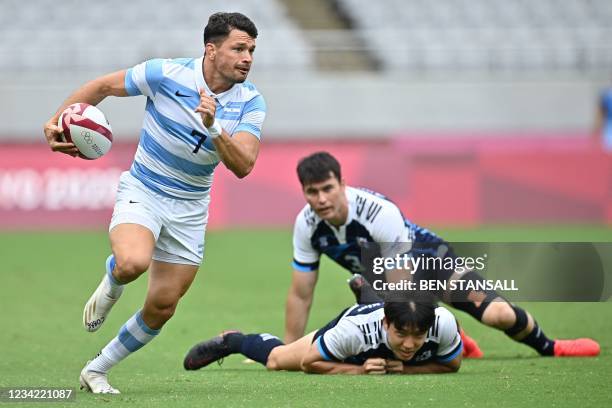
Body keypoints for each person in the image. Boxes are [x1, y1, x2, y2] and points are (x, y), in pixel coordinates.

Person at [43, 12, 266, 394]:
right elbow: (102, 86)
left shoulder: (251, 102)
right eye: (239, 48)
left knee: (163, 306)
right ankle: (113, 280)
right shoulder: (167, 74)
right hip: (145, 189)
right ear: (211, 50)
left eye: (252, 50)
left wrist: (214, 126)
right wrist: (55, 122)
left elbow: (243, 165)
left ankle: (96, 370)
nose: (247, 57)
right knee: (132, 263)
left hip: (191, 208)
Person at [284, 152, 600, 358]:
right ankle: (458, 340)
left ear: (342, 183)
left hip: (432, 260)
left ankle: (551, 347)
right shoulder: (306, 225)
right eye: (312, 192)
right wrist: (290, 350)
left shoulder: (377, 213)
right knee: (372, 295)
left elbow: (403, 283)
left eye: (328, 188)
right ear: (304, 192)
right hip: (386, 276)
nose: (322, 199)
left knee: (498, 315)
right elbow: (301, 295)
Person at [184, 299, 463, 375]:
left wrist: (405, 369)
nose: (410, 345)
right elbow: (309, 363)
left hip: (378, 323)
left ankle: (365, 291)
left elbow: (451, 365)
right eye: (401, 334)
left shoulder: (444, 323)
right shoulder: (353, 331)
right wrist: (359, 371)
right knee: (277, 360)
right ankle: (233, 341)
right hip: (352, 336)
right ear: (386, 322)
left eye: (419, 337)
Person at [593, 85, 612, 152]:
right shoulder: (607, 94)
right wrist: (598, 125)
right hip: (609, 125)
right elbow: (601, 111)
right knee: (608, 148)